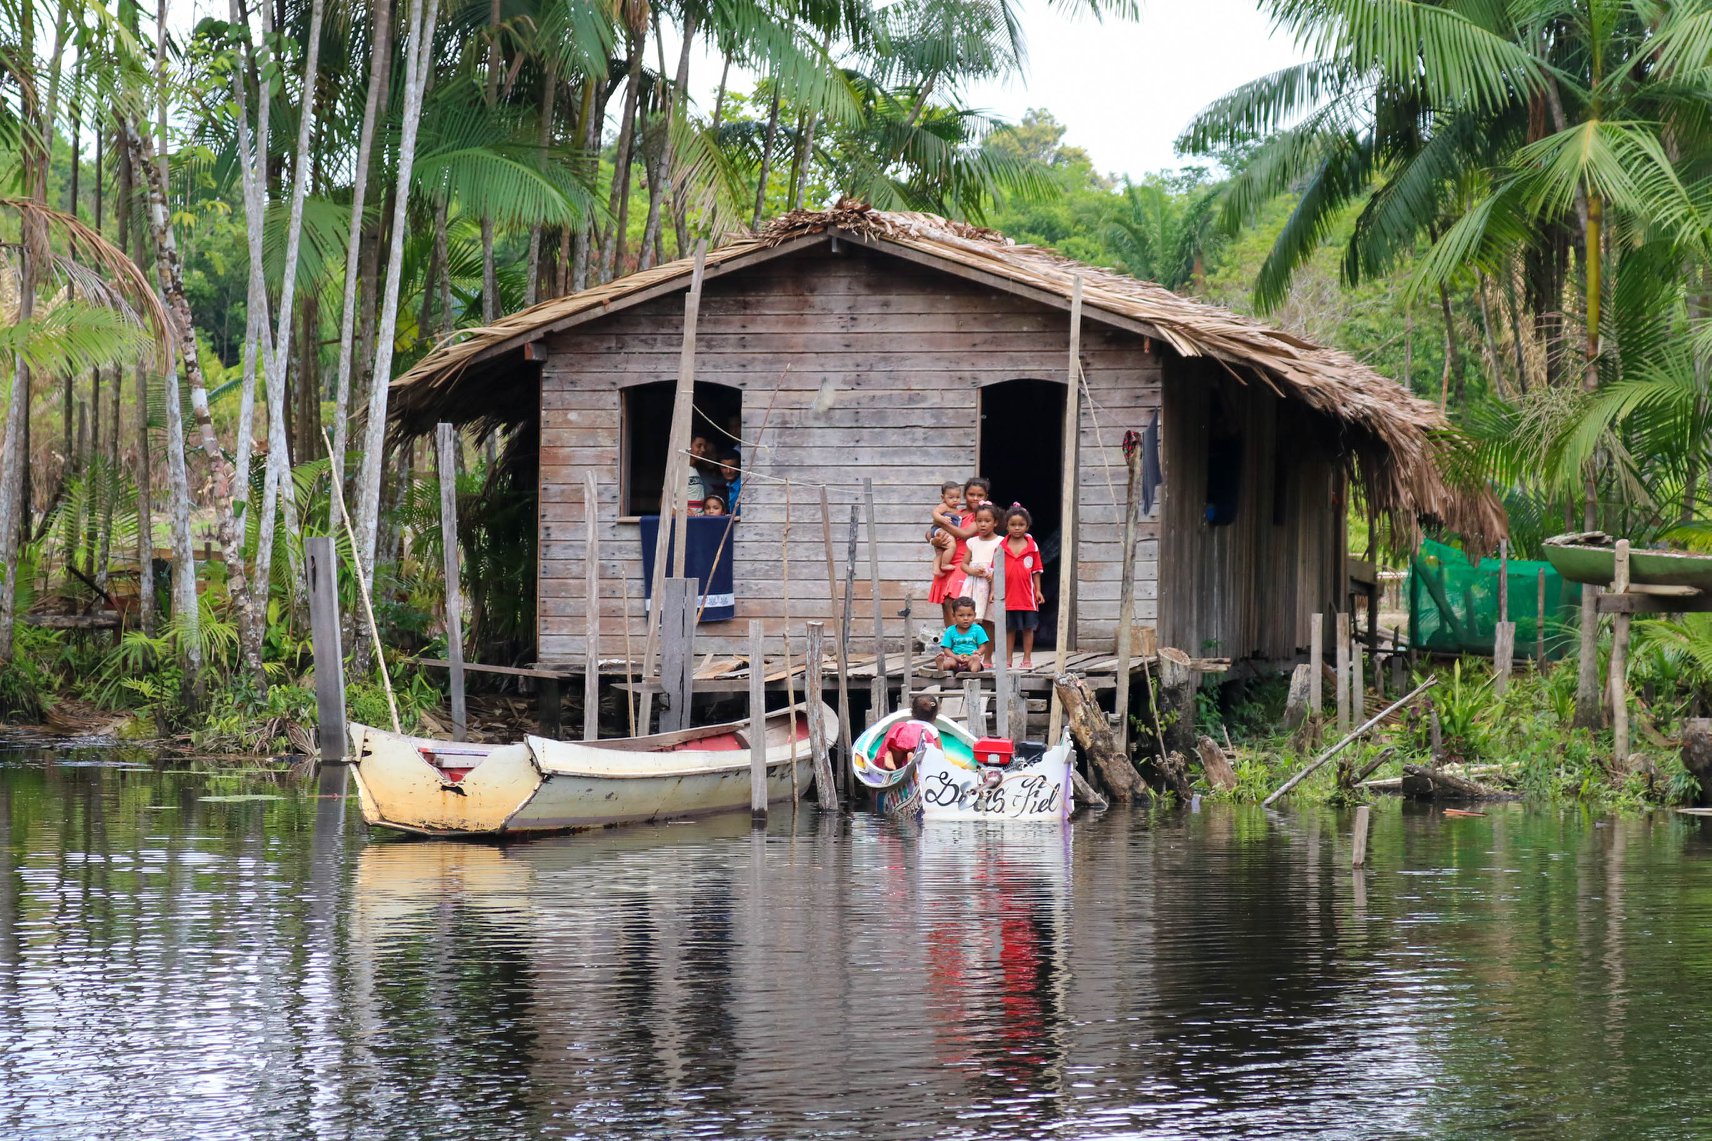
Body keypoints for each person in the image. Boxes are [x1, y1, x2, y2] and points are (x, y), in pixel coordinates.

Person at [999, 504, 1045, 668]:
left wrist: (1038, 590)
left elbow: (1036, 571)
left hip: (1028, 596)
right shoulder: (1001, 547)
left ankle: (1027, 659)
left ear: (1027, 526)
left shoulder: (1032, 547)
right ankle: (1008, 660)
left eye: (1021, 525)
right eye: (1013, 524)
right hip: (1008, 595)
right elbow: (995, 572)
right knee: (1009, 629)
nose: (1017, 528)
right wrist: (993, 592)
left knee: (1028, 628)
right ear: (1006, 525)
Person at [959, 504, 1003, 663]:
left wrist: (994, 576)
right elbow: (963, 564)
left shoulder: (1001, 542)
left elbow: (1004, 566)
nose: (982, 524)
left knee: (989, 622)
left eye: (987, 521)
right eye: (979, 521)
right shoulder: (972, 542)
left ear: (995, 522)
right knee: (970, 620)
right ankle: (970, 657)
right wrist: (972, 571)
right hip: (974, 585)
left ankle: (988, 658)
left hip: (991, 586)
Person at [927, 481, 966, 623]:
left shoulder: (959, 511)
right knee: (951, 546)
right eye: (951, 497)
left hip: (960, 560)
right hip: (940, 531)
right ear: (943, 497)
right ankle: (943, 564)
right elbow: (935, 514)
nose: (955, 500)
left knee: (939, 552)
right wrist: (942, 520)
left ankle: (937, 566)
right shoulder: (944, 507)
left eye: (957, 497)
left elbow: (966, 534)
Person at [875, 694, 943, 771]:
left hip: (903, 735)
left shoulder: (906, 724)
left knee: (896, 753)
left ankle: (890, 758)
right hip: (920, 743)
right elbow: (939, 753)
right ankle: (913, 765)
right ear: (934, 716)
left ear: (912, 711)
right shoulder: (932, 730)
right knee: (922, 760)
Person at [935, 596, 989, 674]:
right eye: (961, 615)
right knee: (950, 662)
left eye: (969, 615)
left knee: (975, 659)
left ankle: (974, 669)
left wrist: (977, 653)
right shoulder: (950, 630)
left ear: (975, 615)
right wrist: (956, 657)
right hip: (955, 659)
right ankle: (942, 665)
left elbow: (983, 646)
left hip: (971, 658)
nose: (965, 618)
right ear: (954, 616)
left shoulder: (978, 629)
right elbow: (946, 649)